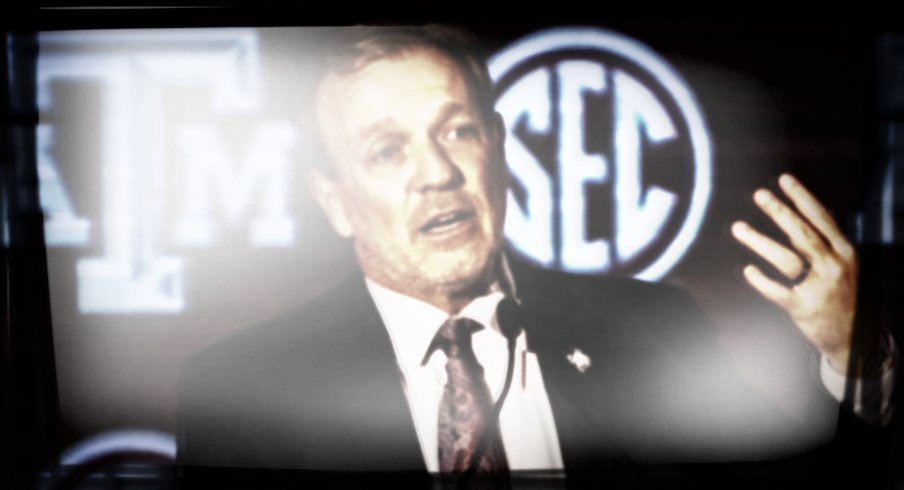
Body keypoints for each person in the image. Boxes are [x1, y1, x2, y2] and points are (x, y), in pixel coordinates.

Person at [177, 26, 892, 488]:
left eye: (457, 132)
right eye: (387, 151)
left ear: (499, 151)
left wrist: (852, 356)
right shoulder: (241, 391)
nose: (438, 174)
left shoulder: (652, 326)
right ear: (334, 200)